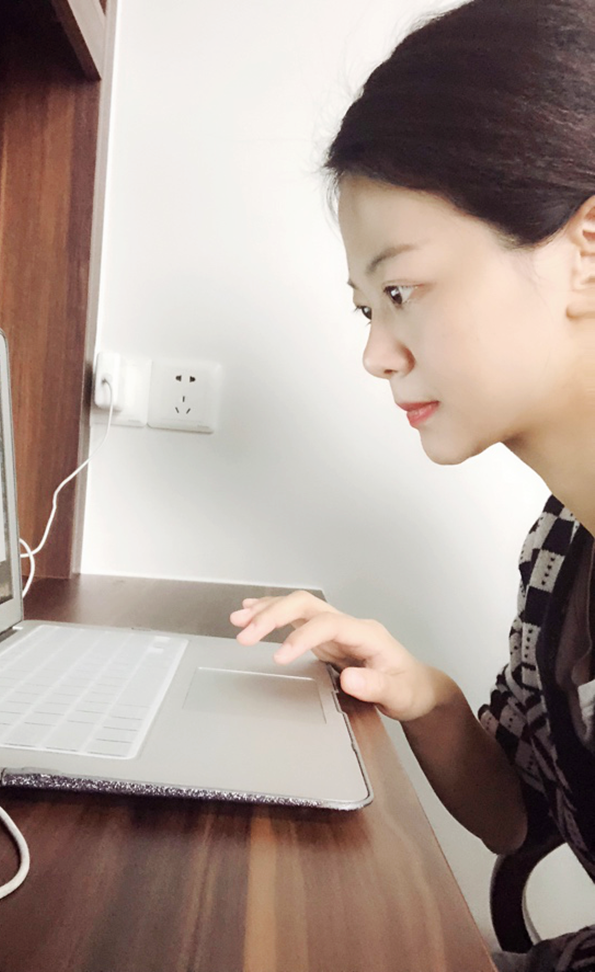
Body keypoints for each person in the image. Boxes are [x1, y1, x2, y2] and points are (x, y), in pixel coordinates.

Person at [229, 1, 595, 970]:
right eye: (365, 308)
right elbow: (521, 821)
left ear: (586, 250)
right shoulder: (561, 545)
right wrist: (420, 692)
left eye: (400, 292)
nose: (375, 354)